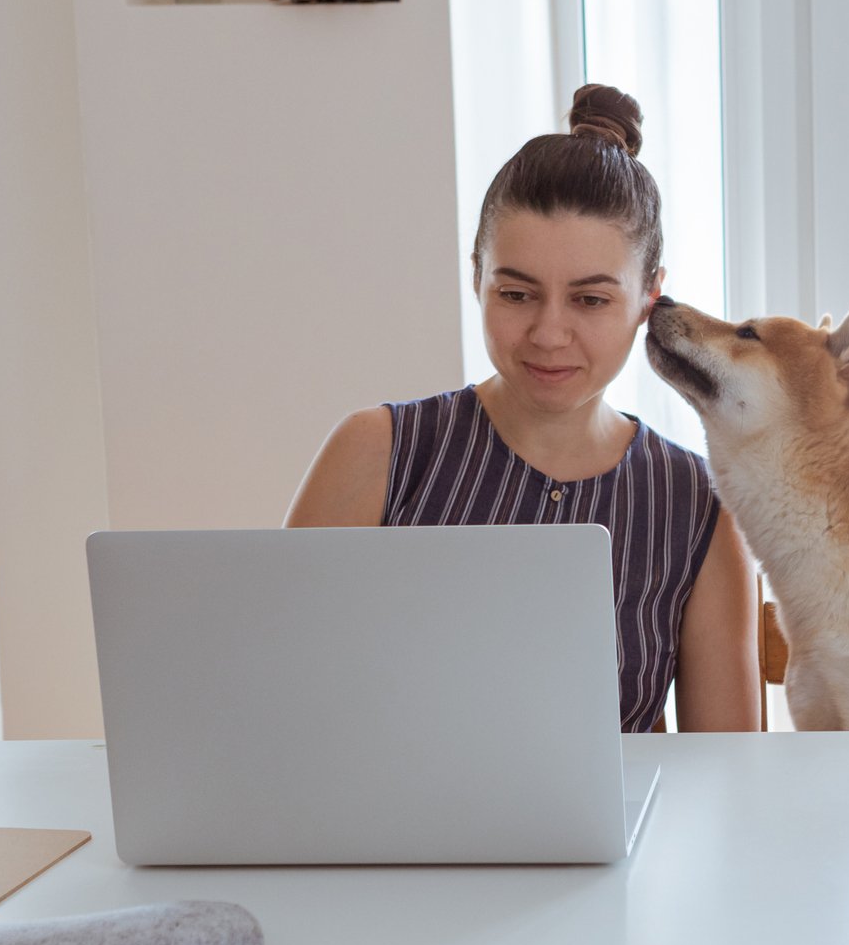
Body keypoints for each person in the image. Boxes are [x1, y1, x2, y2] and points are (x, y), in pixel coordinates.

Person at [285, 84, 761, 731]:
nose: (548, 333)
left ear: (649, 296)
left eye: (590, 300)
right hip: (387, 833)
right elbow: (278, 706)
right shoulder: (377, 452)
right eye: (515, 294)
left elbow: (724, 778)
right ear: (476, 276)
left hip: (615, 838)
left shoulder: (696, 503)